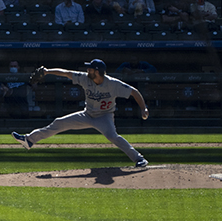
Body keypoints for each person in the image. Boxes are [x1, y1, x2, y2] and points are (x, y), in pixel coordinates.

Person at [12, 59, 150, 168]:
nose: (87, 70)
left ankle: (139, 159)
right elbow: (66, 73)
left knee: (113, 136)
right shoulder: (85, 78)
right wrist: (47, 71)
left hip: (104, 116)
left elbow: (134, 92)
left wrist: (143, 108)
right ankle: (29, 140)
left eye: (90, 68)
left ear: (97, 71)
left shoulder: (113, 83)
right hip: (87, 114)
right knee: (59, 122)